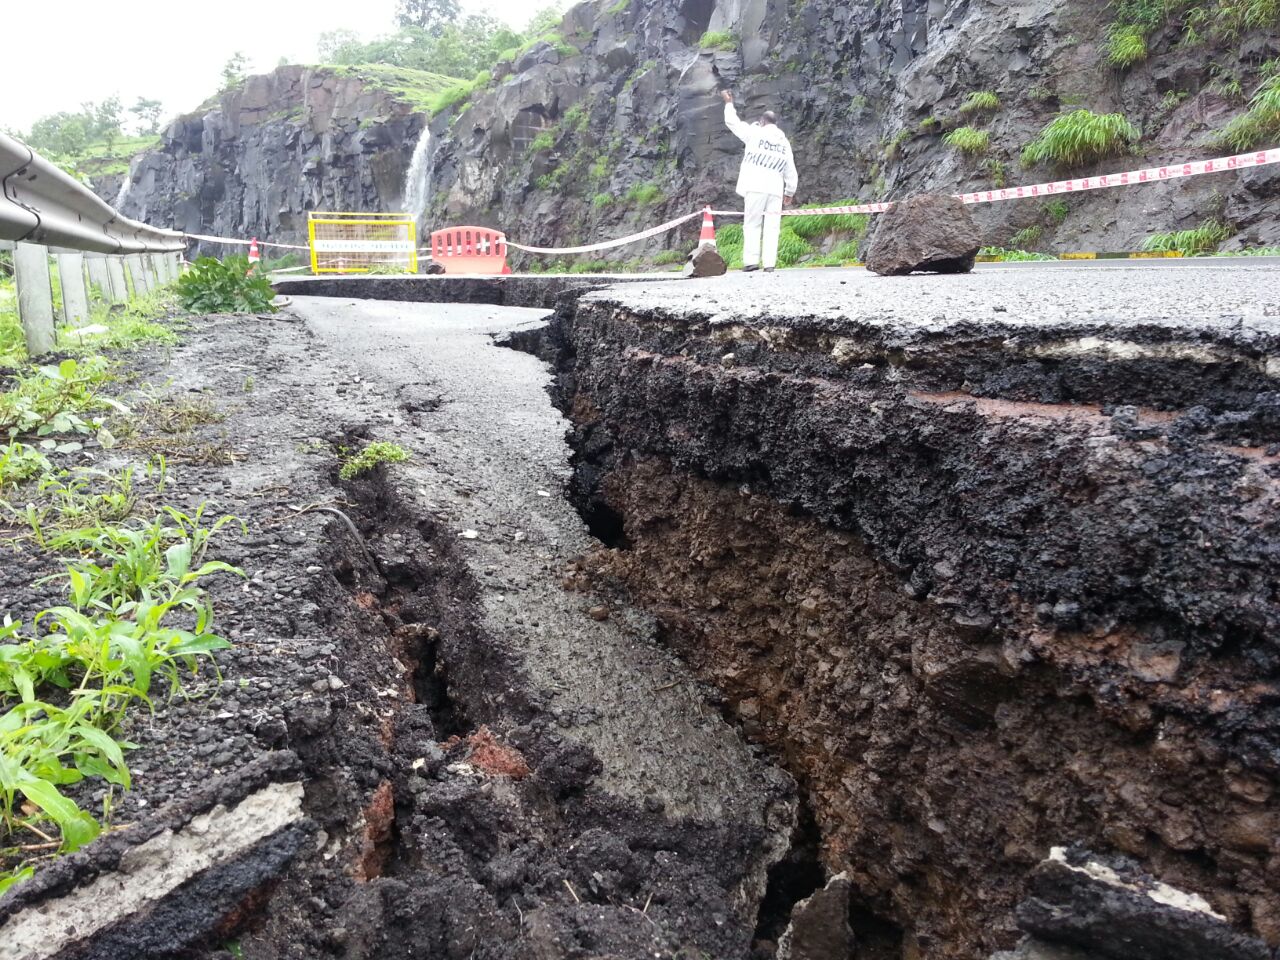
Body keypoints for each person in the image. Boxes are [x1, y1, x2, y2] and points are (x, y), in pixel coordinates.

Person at [721, 89, 798, 273]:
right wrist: (789, 192)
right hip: (775, 189)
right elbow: (790, 169)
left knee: (752, 223)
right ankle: (770, 264)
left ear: (762, 122)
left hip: (755, 186)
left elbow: (733, 122)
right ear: (775, 124)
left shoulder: (755, 134)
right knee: (773, 226)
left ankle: (751, 261)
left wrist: (728, 103)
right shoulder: (784, 142)